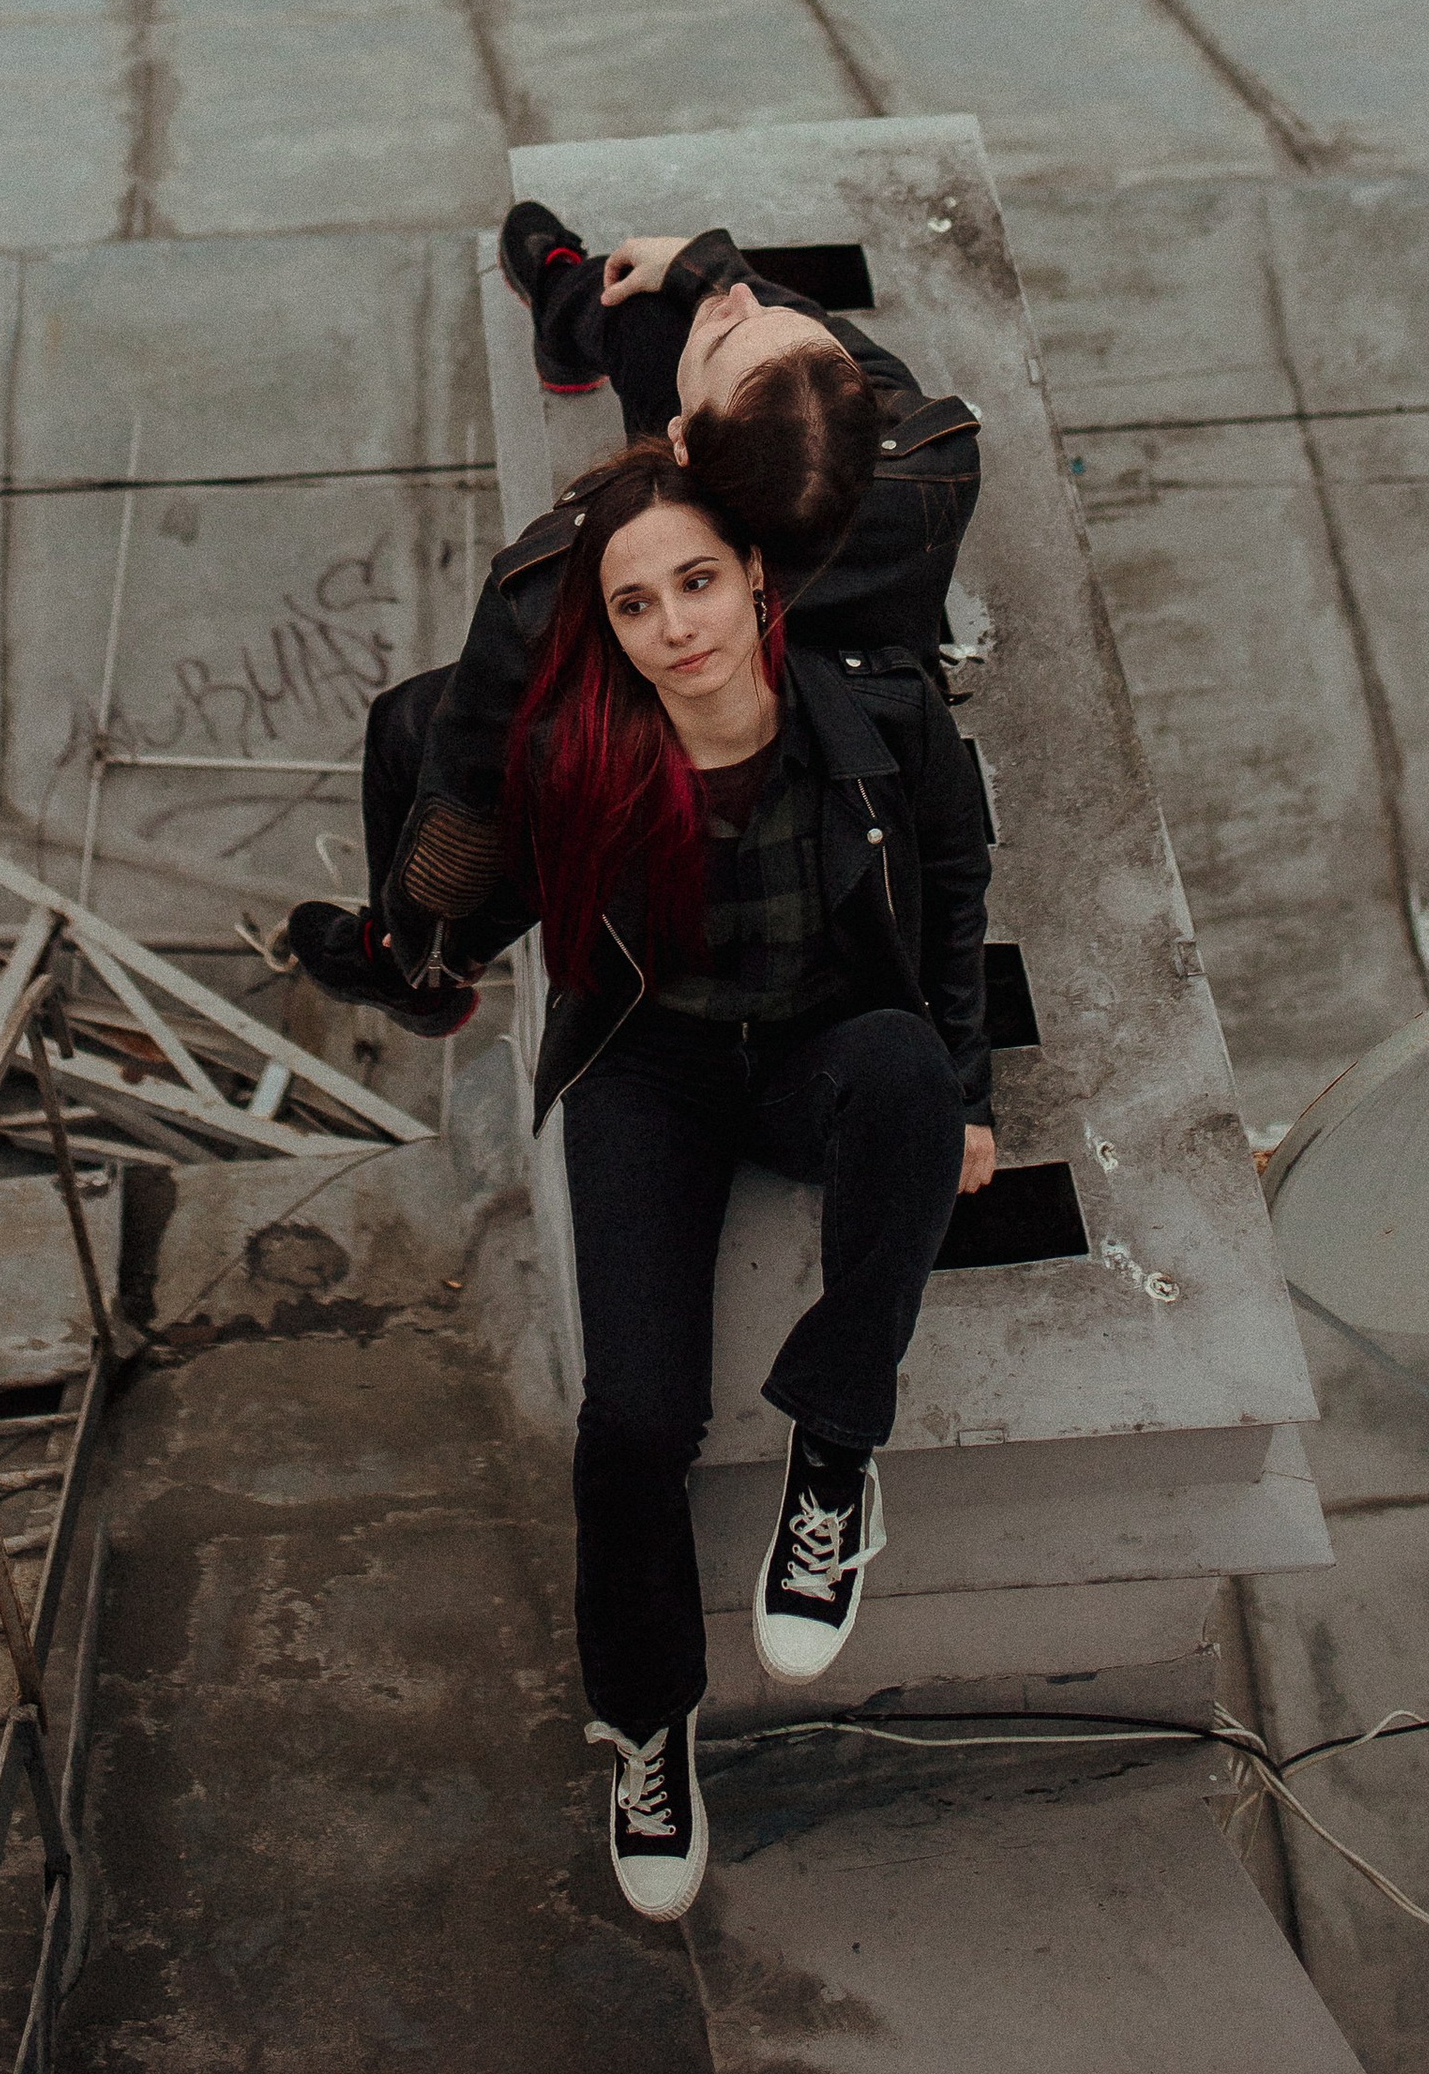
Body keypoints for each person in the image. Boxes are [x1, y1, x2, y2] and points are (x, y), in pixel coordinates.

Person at [380, 434, 995, 1918]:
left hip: (818, 1051)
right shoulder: (573, 762)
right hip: (654, 1073)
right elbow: (427, 747)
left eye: (699, 580)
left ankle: (835, 1456)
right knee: (634, 1419)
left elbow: (959, 895)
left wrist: (966, 1096)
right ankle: (650, 1725)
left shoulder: (886, 721)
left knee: (911, 1071)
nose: (678, 626)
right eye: (638, 603)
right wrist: (405, 937)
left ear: (759, 575)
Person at [281, 204, 981, 1033]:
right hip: (841, 640)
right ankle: (564, 305)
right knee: (650, 307)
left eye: (738, 326)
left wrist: (423, 926)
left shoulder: (558, 578)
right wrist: (698, 266)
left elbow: (463, 804)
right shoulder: (937, 462)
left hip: (731, 737)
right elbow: (820, 359)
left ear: (680, 447)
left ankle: (420, 968)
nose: (740, 302)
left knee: (409, 727)